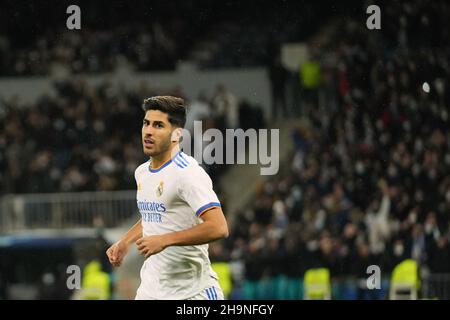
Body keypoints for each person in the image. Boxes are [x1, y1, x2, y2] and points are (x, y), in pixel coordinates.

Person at [106, 96, 229, 300]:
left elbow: (219, 227)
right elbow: (154, 216)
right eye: (146, 123)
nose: (148, 131)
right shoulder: (142, 172)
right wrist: (125, 242)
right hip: (151, 290)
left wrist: (165, 240)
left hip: (193, 292)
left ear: (176, 134)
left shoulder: (188, 174)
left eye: (158, 125)